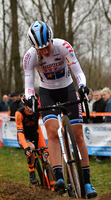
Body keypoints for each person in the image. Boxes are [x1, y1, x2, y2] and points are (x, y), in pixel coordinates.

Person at [23, 21, 97, 198]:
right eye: (40, 49)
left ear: (51, 39)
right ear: (34, 47)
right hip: (47, 92)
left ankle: (86, 182)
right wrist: (30, 97)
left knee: (78, 136)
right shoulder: (29, 56)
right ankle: (59, 177)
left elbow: (77, 71)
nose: (45, 51)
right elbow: (28, 82)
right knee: (52, 133)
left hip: (68, 90)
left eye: (47, 46)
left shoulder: (63, 46)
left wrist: (83, 86)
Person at [15, 94, 50, 185]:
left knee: (46, 156)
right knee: (31, 148)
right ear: (23, 106)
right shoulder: (19, 113)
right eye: (28, 108)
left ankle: (51, 183)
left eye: (32, 108)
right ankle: (31, 171)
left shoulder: (37, 109)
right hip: (24, 136)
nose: (31, 110)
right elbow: (20, 132)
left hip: (36, 133)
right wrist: (26, 147)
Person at [92, 90, 107, 162]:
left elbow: (100, 112)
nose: (95, 97)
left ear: (100, 95)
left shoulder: (103, 103)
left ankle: (103, 156)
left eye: (97, 95)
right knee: (97, 140)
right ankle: (98, 155)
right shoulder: (94, 103)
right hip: (95, 124)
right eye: (94, 96)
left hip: (101, 124)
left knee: (102, 140)